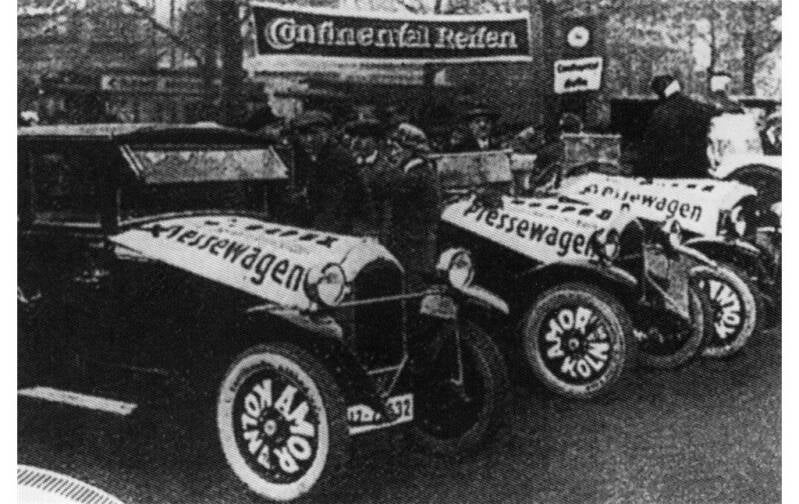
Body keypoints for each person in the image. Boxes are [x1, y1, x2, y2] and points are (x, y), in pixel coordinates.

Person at [370, 123, 440, 291]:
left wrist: (376, 164)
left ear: (411, 150)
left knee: (411, 291)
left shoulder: (417, 175)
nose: (393, 153)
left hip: (413, 248)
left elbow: (384, 185)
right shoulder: (416, 171)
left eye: (397, 148)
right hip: (410, 246)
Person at [283, 110, 375, 236]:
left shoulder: (338, 158)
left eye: (314, 133)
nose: (308, 139)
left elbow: (336, 206)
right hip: (330, 221)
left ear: (327, 133)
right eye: (303, 134)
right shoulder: (312, 155)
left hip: (351, 227)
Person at [636, 74, 717, 179]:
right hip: (698, 167)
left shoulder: (661, 112)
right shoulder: (701, 108)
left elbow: (652, 144)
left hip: (670, 169)